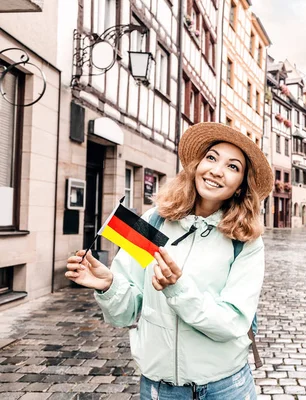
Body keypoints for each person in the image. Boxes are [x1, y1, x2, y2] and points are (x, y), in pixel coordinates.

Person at [65, 122, 273, 400]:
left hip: (224, 388)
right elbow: (124, 314)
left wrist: (177, 289)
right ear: (197, 165)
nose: (216, 170)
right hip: (159, 388)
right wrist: (108, 286)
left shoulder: (245, 240)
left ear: (240, 186)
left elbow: (232, 323)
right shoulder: (153, 220)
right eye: (211, 157)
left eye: (232, 167)